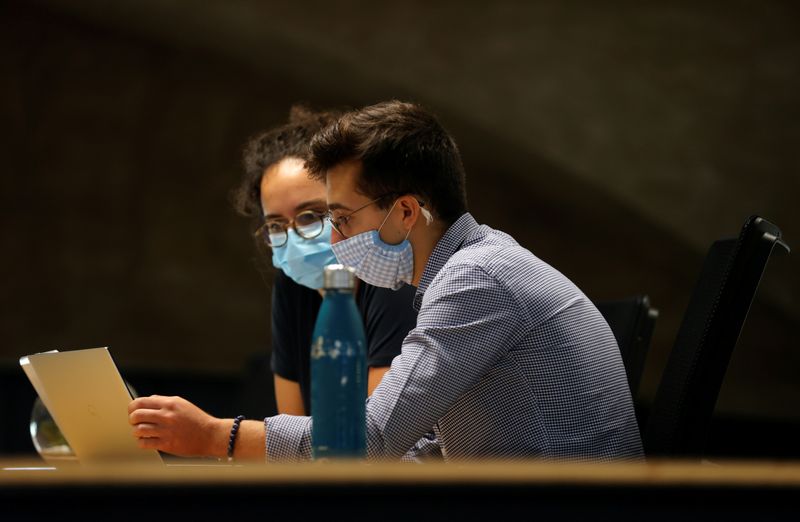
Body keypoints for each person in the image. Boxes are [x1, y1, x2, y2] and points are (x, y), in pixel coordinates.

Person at [132, 100, 643, 462]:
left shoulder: (475, 278)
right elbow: (423, 444)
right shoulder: (472, 265)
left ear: (404, 212)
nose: (334, 241)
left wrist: (217, 436)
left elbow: (369, 437)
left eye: (341, 218)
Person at [127, 106, 417, 460]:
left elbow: (372, 439)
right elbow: (293, 447)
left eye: (311, 215)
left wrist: (214, 435)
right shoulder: (294, 288)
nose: (295, 236)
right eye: (277, 225)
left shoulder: (395, 281)